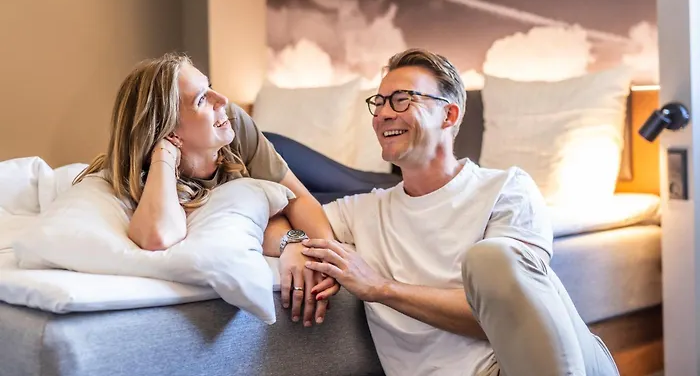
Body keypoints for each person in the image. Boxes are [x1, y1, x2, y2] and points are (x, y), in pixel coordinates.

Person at [302, 49, 619, 375]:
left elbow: (517, 316)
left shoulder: (507, 189)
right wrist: (292, 247)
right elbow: (285, 209)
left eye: (401, 100)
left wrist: (381, 288)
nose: (383, 113)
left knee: (490, 260)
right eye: (379, 102)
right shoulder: (363, 210)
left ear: (448, 115)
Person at [76, 53, 339, 326]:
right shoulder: (152, 178)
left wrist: (327, 260)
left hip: (271, 152)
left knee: (351, 188)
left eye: (210, 87)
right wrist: (165, 154)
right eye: (202, 99)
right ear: (169, 131)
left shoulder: (233, 119)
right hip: (237, 161)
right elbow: (159, 236)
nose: (222, 99)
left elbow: (297, 199)